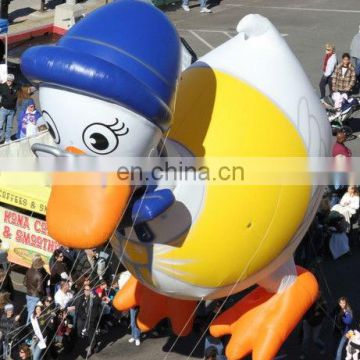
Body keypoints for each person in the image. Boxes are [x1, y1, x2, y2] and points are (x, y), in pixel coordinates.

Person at [74, 284, 102, 357]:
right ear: (83, 291)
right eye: (86, 290)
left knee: (91, 331)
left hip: (91, 317)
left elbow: (99, 301)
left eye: (89, 289)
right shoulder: (80, 298)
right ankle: (89, 346)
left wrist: (95, 297)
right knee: (81, 333)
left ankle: (93, 346)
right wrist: (85, 316)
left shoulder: (93, 296)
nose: (88, 291)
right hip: (82, 317)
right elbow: (78, 310)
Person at [300, 295, 327, 359]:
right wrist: (305, 319)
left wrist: (319, 313)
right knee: (305, 339)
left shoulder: (323, 305)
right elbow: (304, 311)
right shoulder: (309, 303)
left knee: (315, 339)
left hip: (317, 324)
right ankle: (304, 353)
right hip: (307, 322)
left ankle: (322, 347)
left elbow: (324, 314)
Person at [23, 255, 48, 324]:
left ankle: (28, 326)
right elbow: (40, 289)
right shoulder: (39, 275)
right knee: (32, 314)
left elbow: (24, 283)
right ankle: (29, 328)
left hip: (28, 294)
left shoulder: (29, 270)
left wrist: (30, 287)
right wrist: (43, 294)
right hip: (35, 296)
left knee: (29, 311)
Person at [0, 74, 18, 144]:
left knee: (9, 126)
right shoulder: (2, 86)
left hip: (12, 110)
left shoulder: (16, 86)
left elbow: (23, 90)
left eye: (10, 81)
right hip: (3, 109)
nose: (9, 82)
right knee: (0, 125)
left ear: (13, 81)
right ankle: (1, 138)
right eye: (8, 80)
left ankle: (7, 139)